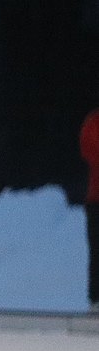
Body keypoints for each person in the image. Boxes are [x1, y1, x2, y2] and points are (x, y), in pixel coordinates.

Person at [82, 106, 99, 312]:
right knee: (97, 250)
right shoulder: (94, 122)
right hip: (96, 199)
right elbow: (89, 151)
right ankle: (96, 300)